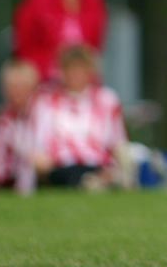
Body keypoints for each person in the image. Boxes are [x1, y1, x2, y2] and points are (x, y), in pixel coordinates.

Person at [29, 45, 131, 190]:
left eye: (80, 69)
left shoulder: (107, 99)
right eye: (71, 69)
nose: (75, 74)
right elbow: (39, 144)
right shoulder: (47, 103)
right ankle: (91, 182)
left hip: (98, 163)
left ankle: (98, 181)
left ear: (90, 71)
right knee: (68, 173)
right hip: (61, 167)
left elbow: (118, 141)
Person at [0, 59, 40, 192]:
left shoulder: (43, 115)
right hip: (7, 179)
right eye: (12, 87)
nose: (16, 93)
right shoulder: (2, 120)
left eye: (21, 87)